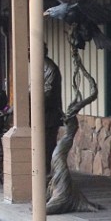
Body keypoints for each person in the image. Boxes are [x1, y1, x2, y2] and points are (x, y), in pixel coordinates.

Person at [43, 44, 63, 174]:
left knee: (47, 148)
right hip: (41, 116)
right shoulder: (38, 67)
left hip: (49, 117)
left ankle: (47, 176)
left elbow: (48, 94)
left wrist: (30, 101)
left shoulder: (50, 69)